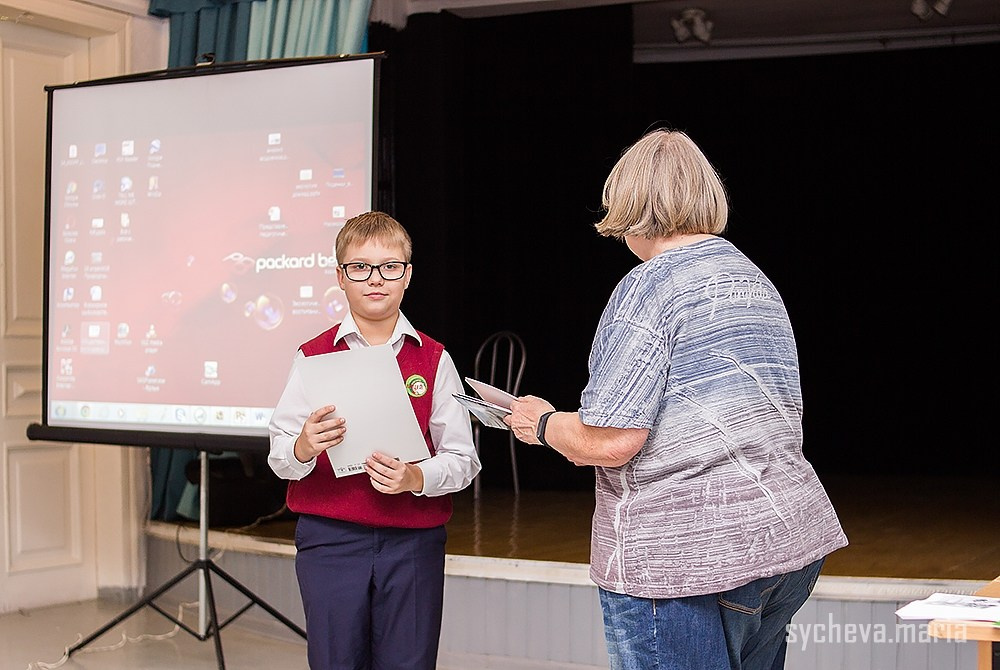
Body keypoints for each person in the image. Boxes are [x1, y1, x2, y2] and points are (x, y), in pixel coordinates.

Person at [505, 129, 848, 670]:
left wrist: (542, 422)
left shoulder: (648, 286)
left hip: (684, 560)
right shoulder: (753, 278)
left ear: (630, 204)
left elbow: (615, 441)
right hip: (786, 542)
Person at [268, 211, 481, 670]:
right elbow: (281, 456)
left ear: (408, 276)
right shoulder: (312, 356)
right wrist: (304, 445)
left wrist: (415, 476)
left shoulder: (434, 358)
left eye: (390, 267)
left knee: (410, 662)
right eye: (360, 268)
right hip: (329, 539)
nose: (376, 279)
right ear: (341, 277)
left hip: (414, 544)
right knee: (335, 661)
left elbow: (464, 460)